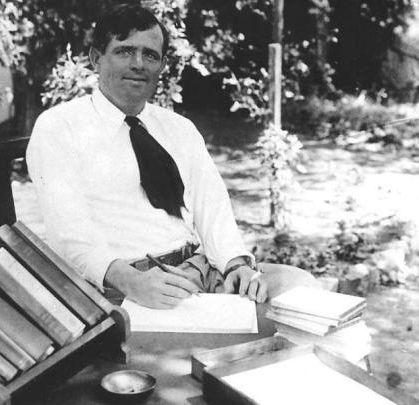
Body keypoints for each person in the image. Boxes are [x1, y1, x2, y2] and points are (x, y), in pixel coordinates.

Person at [26, 4, 319, 309]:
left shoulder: (179, 129)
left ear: (162, 64)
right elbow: (69, 234)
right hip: (125, 286)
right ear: (96, 58)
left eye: (150, 55)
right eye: (124, 51)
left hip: (199, 269)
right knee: (255, 332)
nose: (138, 63)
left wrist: (235, 265)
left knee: (302, 290)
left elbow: (212, 208)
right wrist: (132, 282)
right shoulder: (60, 127)